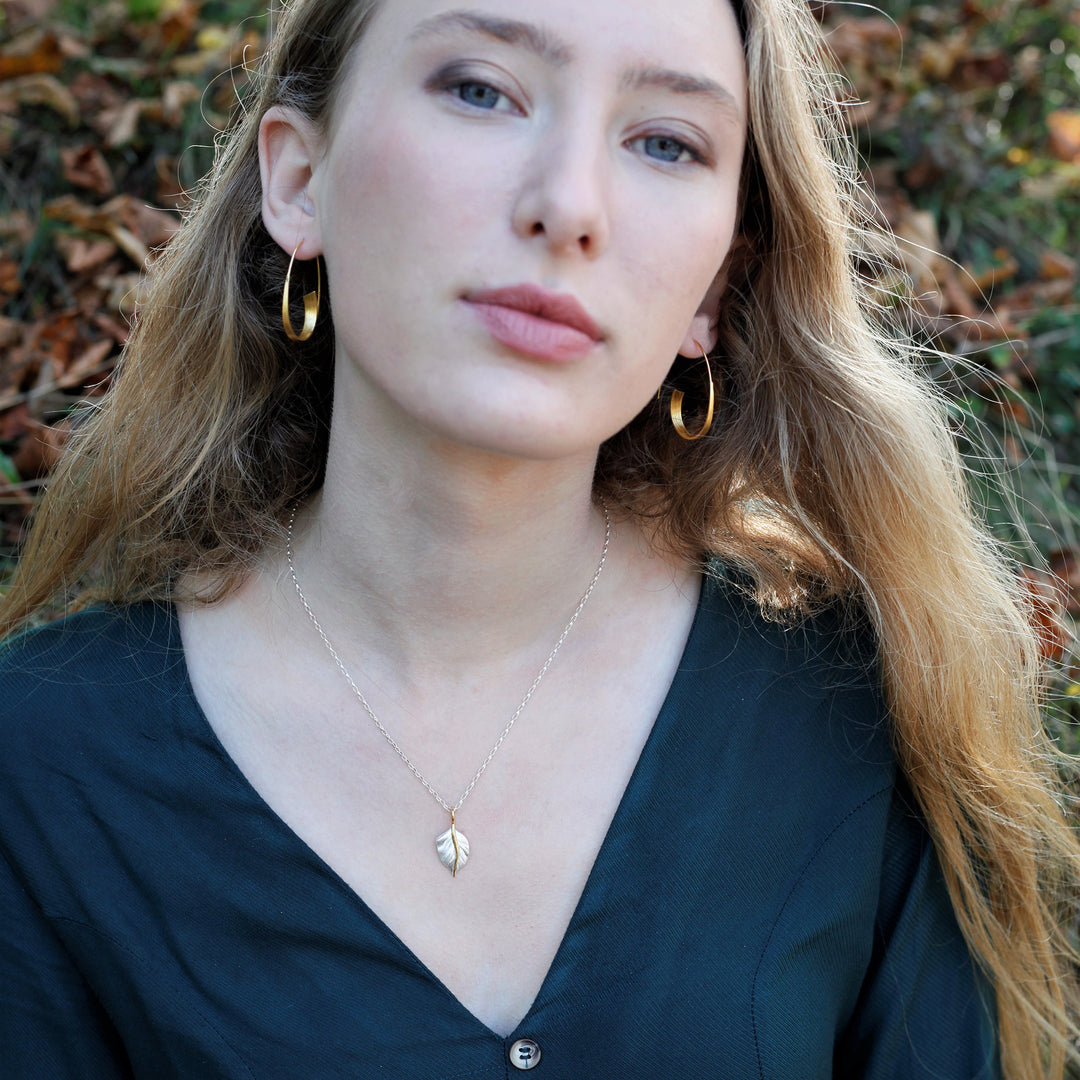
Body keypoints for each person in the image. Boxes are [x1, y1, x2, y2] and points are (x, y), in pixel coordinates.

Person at [1, 0, 1077, 1076]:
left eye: (665, 141)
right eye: (481, 88)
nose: (569, 205)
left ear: (715, 289)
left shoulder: (853, 712)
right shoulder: (41, 768)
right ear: (298, 180)